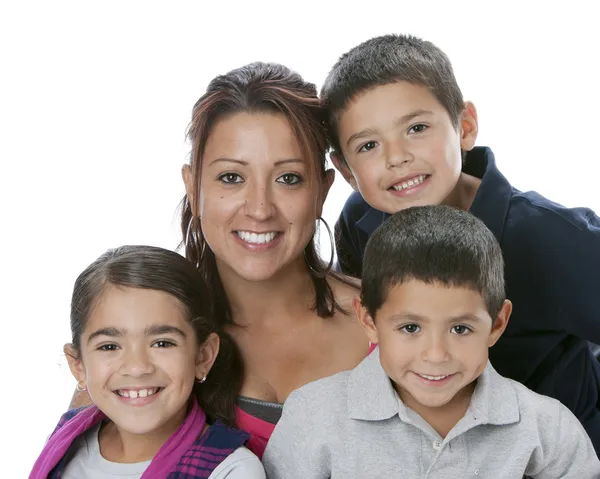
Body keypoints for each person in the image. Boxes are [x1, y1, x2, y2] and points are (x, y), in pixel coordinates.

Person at [320, 33, 600, 451]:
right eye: (369, 145)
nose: (396, 157)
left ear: (464, 126)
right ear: (345, 168)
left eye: (416, 128)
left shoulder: (550, 237)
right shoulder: (360, 219)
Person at [263, 205, 600, 478]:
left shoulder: (546, 426)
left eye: (460, 329)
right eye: (410, 328)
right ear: (369, 321)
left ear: (497, 323)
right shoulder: (315, 414)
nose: (436, 355)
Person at [180, 62, 370, 457]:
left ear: (322, 190)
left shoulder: (391, 322)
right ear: (193, 186)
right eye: (231, 177)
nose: (260, 209)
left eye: (289, 178)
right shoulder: (147, 331)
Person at [31, 245, 265, 478]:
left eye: (162, 343)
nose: (137, 367)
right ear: (78, 365)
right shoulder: (66, 441)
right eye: (109, 346)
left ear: (202, 356)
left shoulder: (231, 470)